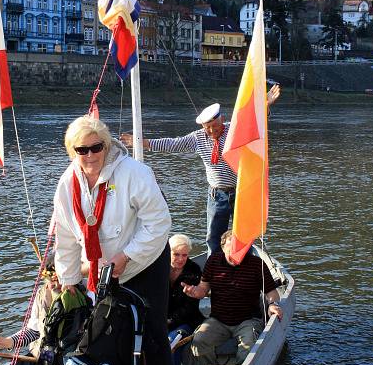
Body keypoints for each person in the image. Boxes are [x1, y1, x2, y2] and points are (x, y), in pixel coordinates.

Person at [53, 115, 178, 365]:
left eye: (96, 148)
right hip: (104, 269)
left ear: (106, 146)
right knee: (106, 336)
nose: (90, 155)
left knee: (153, 335)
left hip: (145, 262)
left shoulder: (134, 173)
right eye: (82, 150)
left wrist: (129, 255)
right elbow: (66, 236)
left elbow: (159, 223)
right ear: (73, 152)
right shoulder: (67, 186)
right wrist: (69, 279)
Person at [120, 84, 280, 255]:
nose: (211, 131)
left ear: (221, 120)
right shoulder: (198, 138)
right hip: (216, 194)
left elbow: (254, 124)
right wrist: (144, 143)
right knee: (213, 237)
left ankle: (244, 267)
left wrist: (265, 106)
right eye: (207, 128)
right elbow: (174, 144)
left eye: (215, 127)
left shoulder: (234, 129)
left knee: (244, 236)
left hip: (240, 192)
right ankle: (213, 269)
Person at [181, 229, 282, 365]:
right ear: (223, 248)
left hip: (248, 320)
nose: (236, 256)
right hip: (218, 320)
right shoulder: (213, 261)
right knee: (199, 341)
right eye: (231, 251)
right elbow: (203, 289)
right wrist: (194, 292)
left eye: (239, 251)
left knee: (250, 347)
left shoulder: (257, 264)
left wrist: (273, 304)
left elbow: (271, 293)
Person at [167, 234, 204, 365]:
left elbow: (190, 308)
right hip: (159, 319)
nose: (181, 259)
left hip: (185, 321)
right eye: (176, 254)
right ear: (168, 252)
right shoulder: (158, 268)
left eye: (184, 255)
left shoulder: (193, 270)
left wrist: (169, 321)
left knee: (172, 342)